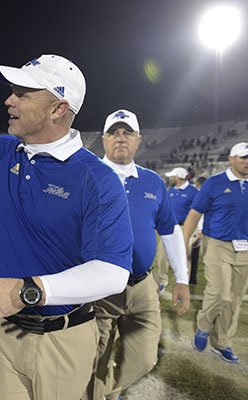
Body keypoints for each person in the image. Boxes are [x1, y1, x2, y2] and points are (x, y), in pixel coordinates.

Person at [0, 54, 134, 400]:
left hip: (63, 338)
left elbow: (112, 273)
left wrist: (28, 290)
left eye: (23, 94)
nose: (9, 100)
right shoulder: (1, 151)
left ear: (58, 109)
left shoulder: (97, 179)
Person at [86, 109, 191, 400]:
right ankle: (100, 394)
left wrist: (181, 278)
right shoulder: (86, 175)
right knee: (94, 357)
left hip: (143, 285)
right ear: (104, 139)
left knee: (145, 357)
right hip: (100, 286)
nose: (121, 138)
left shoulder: (153, 181)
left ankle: (110, 391)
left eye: (127, 132)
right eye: (114, 132)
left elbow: (169, 231)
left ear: (139, 140)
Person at [184, 142, 248, 363]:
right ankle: (203, 326)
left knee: (235, 300)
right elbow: (194, 213)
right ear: (231, 159)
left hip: (245, 247)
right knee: (220, 292)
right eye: (243, 158)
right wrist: (183, 242)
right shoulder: (214, 182)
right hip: (217, 243)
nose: (247, 162)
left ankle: (222, 342)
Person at [155, 167, 198, 292]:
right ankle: (163, 281)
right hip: (169, 227)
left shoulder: (193, 191)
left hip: (185, 227)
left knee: (184, 257)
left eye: (172, 176)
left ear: (178, 177)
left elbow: (198, 211)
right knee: (162, 256)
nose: (170, 178)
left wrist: (198, 230)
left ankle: (184, 284)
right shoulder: (171, 191)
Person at [188, 175, 207, 285]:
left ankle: (192, 278)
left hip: (199, 229)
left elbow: (200, 213)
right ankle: (192, 279)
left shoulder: (200, 194)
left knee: (193, 254)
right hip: (203, 228)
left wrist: (200, 229)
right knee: (194, 255)